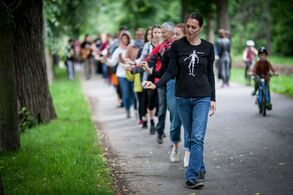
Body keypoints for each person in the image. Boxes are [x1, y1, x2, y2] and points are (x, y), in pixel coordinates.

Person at [144, 12, 216, 189]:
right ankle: (199, 167)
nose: (190, 30)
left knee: (197, 137)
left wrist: (213, 98)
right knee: (191, 137)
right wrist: (157, 84)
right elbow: (170, 71)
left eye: (194, 27)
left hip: (202, 97)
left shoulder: (208, 47)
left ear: (200, 28)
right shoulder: (177, 46)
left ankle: (191, 176)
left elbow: (210, 74)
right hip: (182, 97)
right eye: (188, 26)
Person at [142, 23, 190, 166]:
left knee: (189, 121)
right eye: (173, 34)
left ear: (185, 35)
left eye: (177, 34)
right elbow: (164, 72)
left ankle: (188, 152)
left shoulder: (192, 51)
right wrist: (151, 75)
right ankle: (175, 146)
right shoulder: (169, 51)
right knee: (175, 119)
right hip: (172, 85)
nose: (174, 37)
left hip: (188, 88)